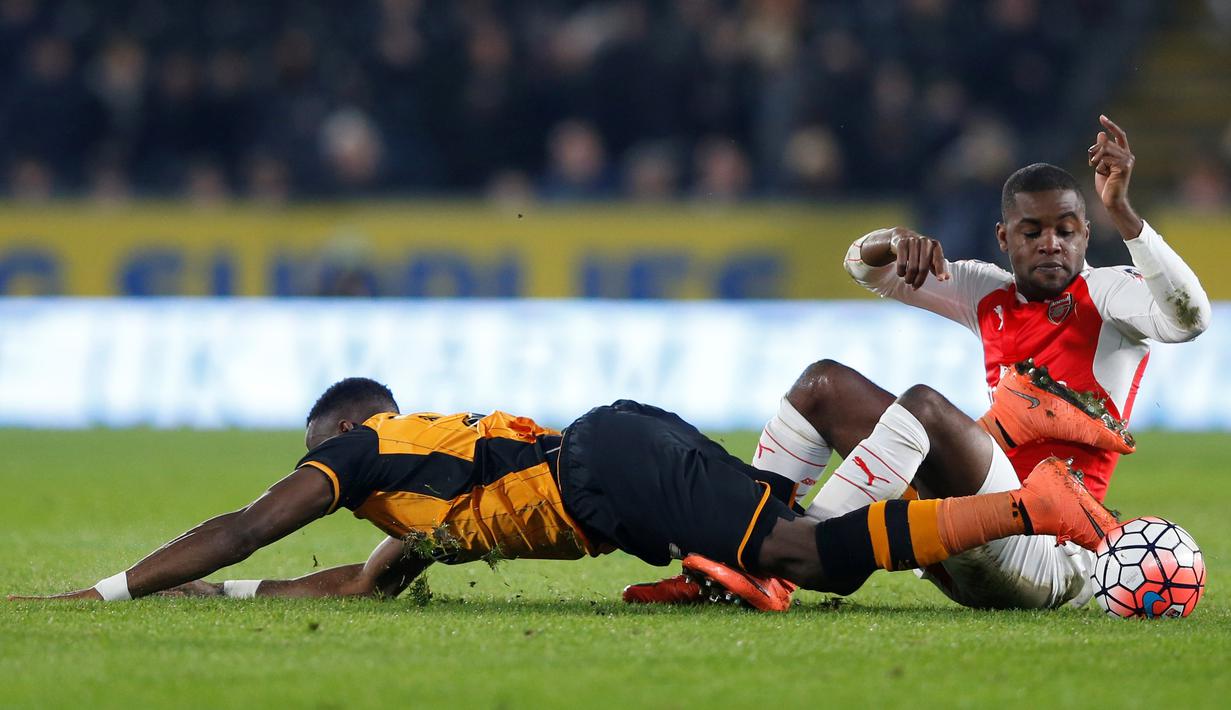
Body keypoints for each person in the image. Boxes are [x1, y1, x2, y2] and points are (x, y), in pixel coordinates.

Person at [626, 116, 1210, 611]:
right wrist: (895, 240)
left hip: (1051, 547)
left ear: (1086, 235)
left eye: (1066, 230)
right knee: (823, 384)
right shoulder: (988, 292)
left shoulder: (1110, 296)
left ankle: (783, 559)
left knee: (926, 408)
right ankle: (740, 551)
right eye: (1032, 232)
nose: (1051, 243)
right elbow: (866, 268)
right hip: (971, 525)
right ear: (1004, 239)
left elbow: (1190, 319)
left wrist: (1126, 215)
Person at [8, 377, 1115, 605]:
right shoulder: (414, 507)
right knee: (784, 531)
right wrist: (199, 603)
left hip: (606, 466)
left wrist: (96, 593)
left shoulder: (370, 448)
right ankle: (723, 577)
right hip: (613, 478)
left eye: (318, 459)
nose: (319, 481)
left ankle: (1033, 500)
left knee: (806, 555)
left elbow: (245, 525)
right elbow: (348, 585)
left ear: (341, 434)